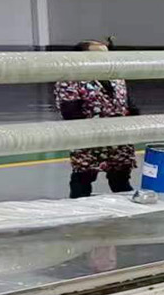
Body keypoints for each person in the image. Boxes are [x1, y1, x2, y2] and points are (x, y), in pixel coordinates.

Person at [54, 40, 138, 198]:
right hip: (89, 138)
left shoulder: (116, 77)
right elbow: (70, 112)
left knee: (121, 179)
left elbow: (129, 104)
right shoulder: (70, 80)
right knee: (83, 179)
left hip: (119, 136)